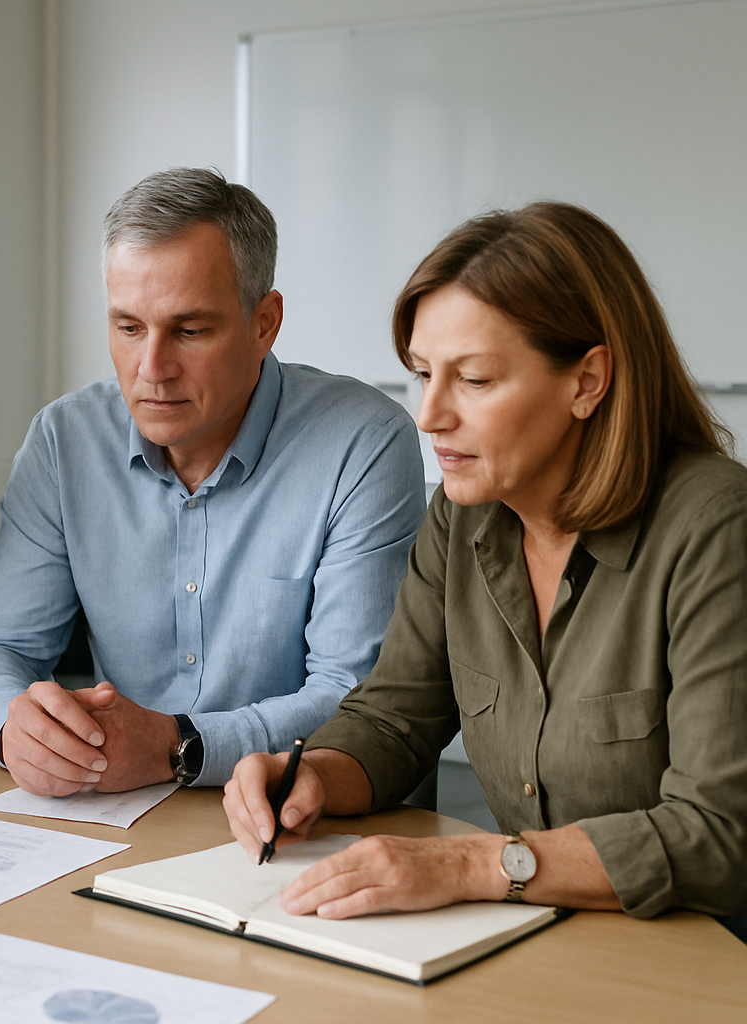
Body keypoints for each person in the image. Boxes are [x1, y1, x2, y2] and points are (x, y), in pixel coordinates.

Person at [222, 202, 747, 931]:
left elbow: (719, 833)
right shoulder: (462, 515)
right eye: (422, 374)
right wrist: (310, 774)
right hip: (540, 937)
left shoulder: (716, 526)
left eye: (473, 380)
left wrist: (472, 865)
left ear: (587, 381)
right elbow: (396, 719)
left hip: (700, 955)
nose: (429, 415)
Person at [0, 167, 426, 796]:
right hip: (121, 811)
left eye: (190, 330)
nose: (152, 369)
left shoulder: (364, 441)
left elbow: (357, 701)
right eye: (128, 328)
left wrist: (178, 745)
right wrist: (18, 731)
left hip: (305, 814)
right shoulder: (66, 441)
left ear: (264, 323)